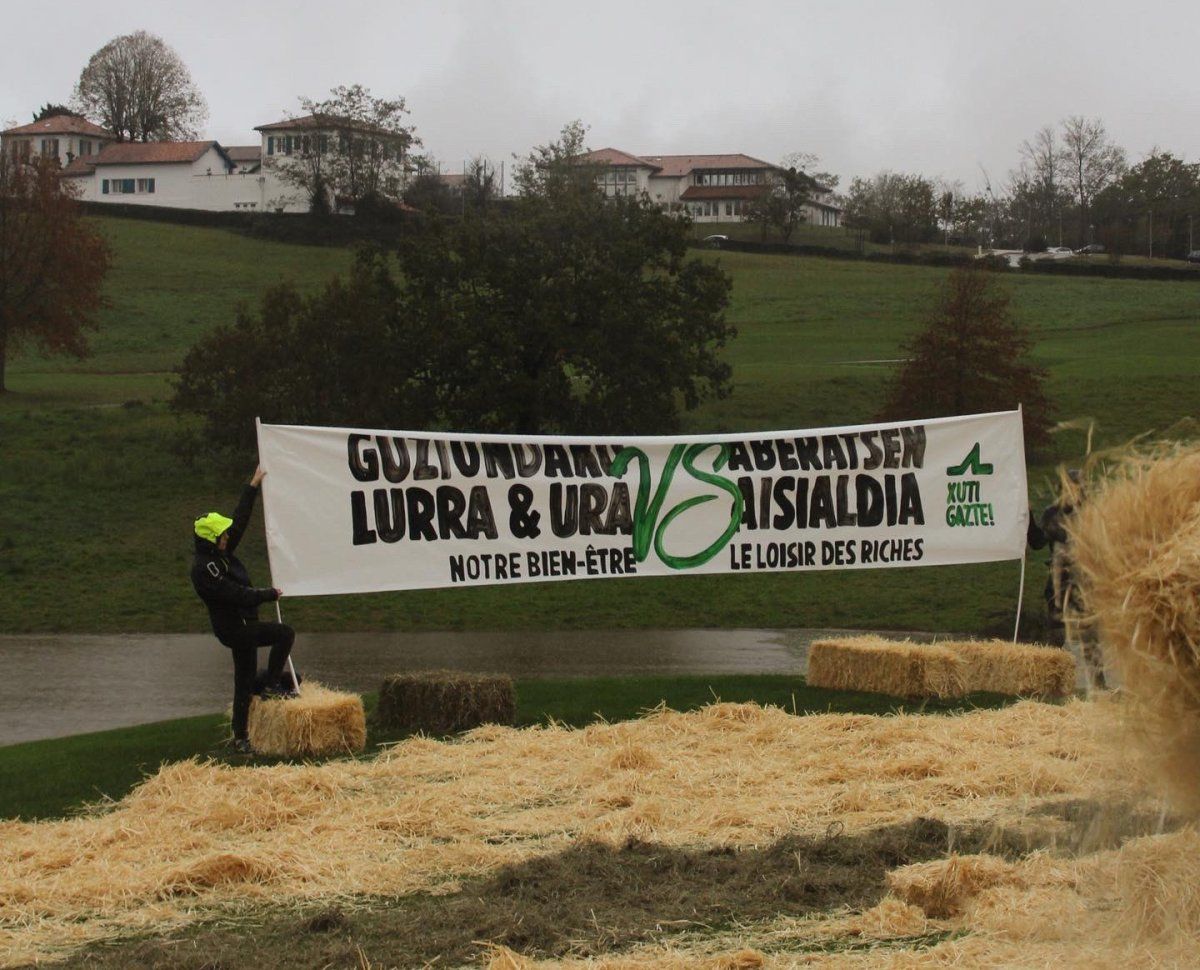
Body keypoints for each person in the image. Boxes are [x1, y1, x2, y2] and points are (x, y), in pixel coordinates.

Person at [191, 466, 295, 753]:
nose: (227, 537)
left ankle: (241, 738)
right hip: (236, 630)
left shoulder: (220, 551)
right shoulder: (203, 570)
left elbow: (239, 522)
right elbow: (235, 594)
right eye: (222, 535)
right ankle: (273, 685)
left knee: (245, 681)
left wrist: (252, 486)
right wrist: (268, 595)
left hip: (245, 624)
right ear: (211, 539)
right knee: (285, 634)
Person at [1041, 470, 1106, 690]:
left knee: (1090, 636)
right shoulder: (1051, 514)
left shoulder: (1092, 514)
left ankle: (1098, 684)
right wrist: (1027, 518)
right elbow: (1038, 541)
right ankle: (1051, 683)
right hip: (1058, 584)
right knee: (1056, 636)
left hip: (1084, 584)